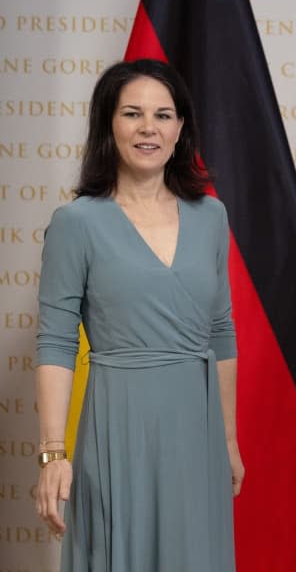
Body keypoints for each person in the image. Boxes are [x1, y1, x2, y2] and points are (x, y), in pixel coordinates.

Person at [34, 59, 244, 571]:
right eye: (132, 113)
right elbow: (56, 342)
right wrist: (52, 454)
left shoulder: (211, 216)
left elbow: (221, 331)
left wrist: (230, 440)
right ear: (109, 124)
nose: (149, 127)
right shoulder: (76, 223)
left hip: (198, 432)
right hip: (118, 426)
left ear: (180, 129)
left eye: (163, 115)